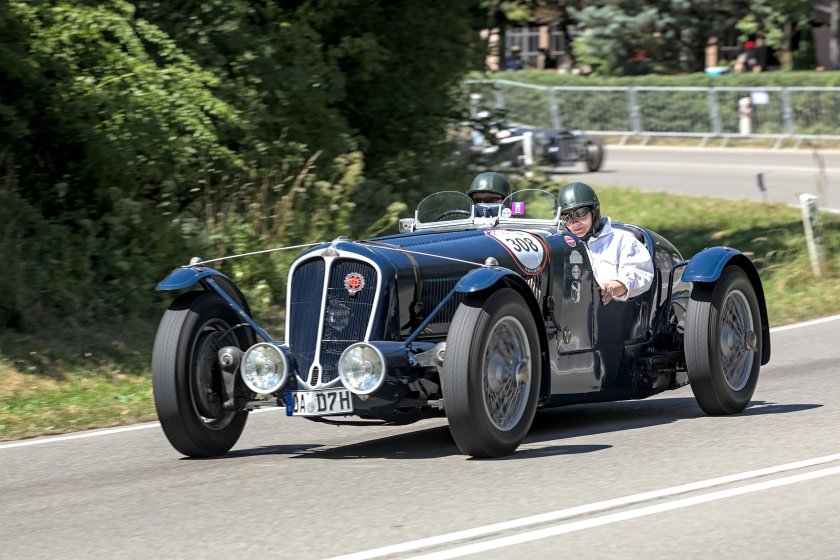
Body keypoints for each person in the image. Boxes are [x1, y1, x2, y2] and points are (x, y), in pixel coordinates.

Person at [558, 182, 654, 305]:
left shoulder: (622, 240)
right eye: (567, 217)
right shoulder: (562, 246)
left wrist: (611, 288)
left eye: (580, 213)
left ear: (594, 211)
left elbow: (641, 274)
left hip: (612, 315)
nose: (575, 223)